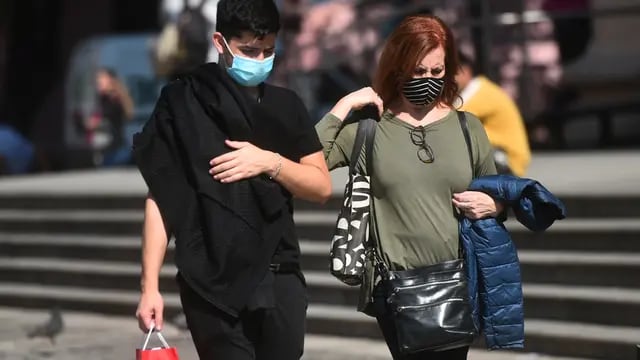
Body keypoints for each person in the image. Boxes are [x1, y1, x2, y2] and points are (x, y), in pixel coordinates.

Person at [133, 0, 332, 359]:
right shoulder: (183, 103)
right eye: (248, 51)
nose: (258, 61)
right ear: (220, 43)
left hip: (277, 276)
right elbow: (162, 198)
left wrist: (269, 162)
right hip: (210, 283)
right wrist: (150, 286)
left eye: (267, 51)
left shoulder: (287, 106)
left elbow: (320, 187)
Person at [316, 15, 503, 360]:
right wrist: (343, 106)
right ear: (397, 68)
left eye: (437, 71)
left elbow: (495, 192)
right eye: (418, 72)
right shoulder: (368, 129)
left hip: (456, 282)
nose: (429, 81)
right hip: (394, 287)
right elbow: (311, 160)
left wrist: (494, 206)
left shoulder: (467, 127)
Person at [455, 50, 531, 176]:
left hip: (506, 161)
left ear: (465, 71)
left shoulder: (480, 93)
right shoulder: (477, 91)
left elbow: (449, 121)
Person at [92, 68, 135, 166]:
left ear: (111, 80)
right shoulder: (102, 98)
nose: (98, 81)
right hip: (106, 148)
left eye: (101, 78)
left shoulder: (115, 99)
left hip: (116, 149)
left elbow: (128, 114)